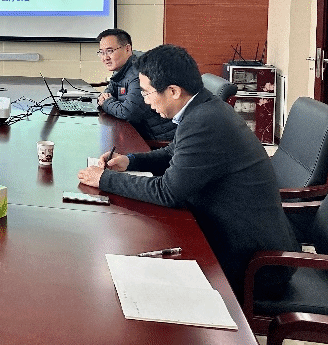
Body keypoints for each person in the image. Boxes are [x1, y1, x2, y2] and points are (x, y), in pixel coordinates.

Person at [78, 44, 298, 298]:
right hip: (224, 232)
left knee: (133, 276)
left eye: (148, 93)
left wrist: (105, 179)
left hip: (250, 261)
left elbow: (167, 192)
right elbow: (172, 153)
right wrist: (130, 161)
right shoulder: (203, 107)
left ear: (173, 91)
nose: (146, 101)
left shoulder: (204, 121)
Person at [95, 28, 176, 141]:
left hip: (157, 140)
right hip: (139, 132)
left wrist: (107, 102)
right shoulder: (121, 68)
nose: (105, 58)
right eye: (102, 52)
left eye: (110, 51)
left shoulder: (139, 73)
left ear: (127, 49)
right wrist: (106, 99)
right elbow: (109, 92)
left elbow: (128, 113)